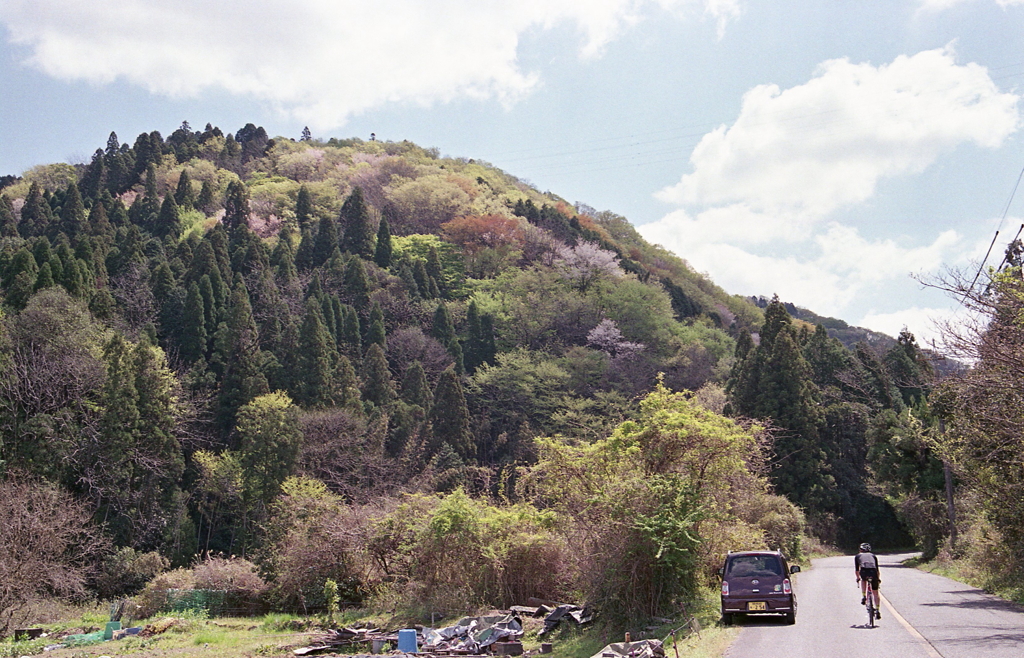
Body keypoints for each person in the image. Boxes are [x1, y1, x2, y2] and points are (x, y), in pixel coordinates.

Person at [855, 543, 881, 619]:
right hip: (873, 572)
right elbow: (877, 570)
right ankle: (878, 610)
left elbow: (857, 570)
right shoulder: (873, 556)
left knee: (863, 580)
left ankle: (864, 596)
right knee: (875, 592)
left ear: (860, 550)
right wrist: (878, 579)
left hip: (864, 571)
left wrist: (857, 578)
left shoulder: (858, 556)